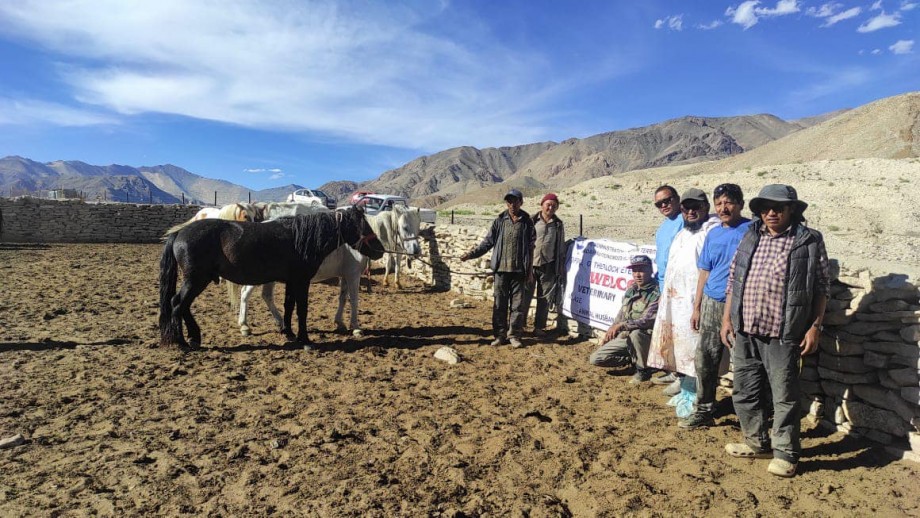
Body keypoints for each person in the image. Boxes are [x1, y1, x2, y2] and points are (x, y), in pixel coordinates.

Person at [720, 184, 829, 478]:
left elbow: (821, 287)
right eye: (765, 207)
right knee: (745, 391)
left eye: (778, 208)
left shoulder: (809, 241)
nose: (771, 213)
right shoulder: (751, 235)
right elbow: (734, 279)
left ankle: (786, 453)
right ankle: (757, 443)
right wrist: (727, 320)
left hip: (784, 333)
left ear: (792, 210)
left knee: (785, 395)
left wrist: (815, 327)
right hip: (745, 329)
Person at [679, 184, 751, 429]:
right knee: (706, 358)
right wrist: (697, 306)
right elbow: (705, 271)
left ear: (740, 204)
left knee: (744, 361)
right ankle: (704, 409)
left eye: (729, 202)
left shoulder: (752, 230)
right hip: (712, 302)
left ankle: (746, 414)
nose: (724, 208)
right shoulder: (714, 233)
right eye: (719, 203)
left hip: (743, 306)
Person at [646, 188, 719, 402]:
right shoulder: (681, 232)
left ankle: (696, 394)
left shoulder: (710, 231)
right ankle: (684, 385)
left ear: (706, 207)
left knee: (696, 348)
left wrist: (698, 304)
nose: (691, 211)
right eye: (688, 208)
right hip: (674, 299)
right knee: (680, 344)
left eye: (696, 207)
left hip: (695, 301)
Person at [460, 189, 536, 348]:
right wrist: (470, 254)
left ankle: (514, 335)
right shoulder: (499, 221)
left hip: (519, 272)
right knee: (499, 305)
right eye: (509, 201)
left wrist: (529, 272)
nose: (512, 204)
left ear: (521, 202)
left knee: (517, 306)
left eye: (515, 201)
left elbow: (531, 248)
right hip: (501, 271)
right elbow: (487, 243)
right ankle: (500, 335)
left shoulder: (527, 222)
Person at [588, 255, 660, 383]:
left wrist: (621, 326)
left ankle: (643, 370)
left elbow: (646, 321)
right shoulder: (632, 289)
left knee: (636, 333)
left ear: (650, 270)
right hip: (626, 337)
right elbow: (622, 313)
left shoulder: (656, 293)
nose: (637, 274)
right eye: (634, 270)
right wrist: (612, 329)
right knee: (596, 358)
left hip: (647, 340)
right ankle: (632, 361)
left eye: (641, 270)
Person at [649, 185, 685, 388]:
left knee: (681, 332)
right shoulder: (663, 227)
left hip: (679, 287)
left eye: (667, 200)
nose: (663, 205)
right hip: (664, 285)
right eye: (658, 204)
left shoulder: (685, 221)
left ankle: (683, 377)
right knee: (669, 331)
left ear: (677, 198)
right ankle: (672, 370)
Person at [530, 193, 569, 339]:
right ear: (542, 205)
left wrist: (559, 266)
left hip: (548, 266)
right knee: (524, 297)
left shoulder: (558, 224)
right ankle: (518, 327)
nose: (550, 207)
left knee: (544, 299)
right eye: (548, 204)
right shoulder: (532, 221)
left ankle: (539, 328)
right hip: (530, 265)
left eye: (554, 205)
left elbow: (560, 247)